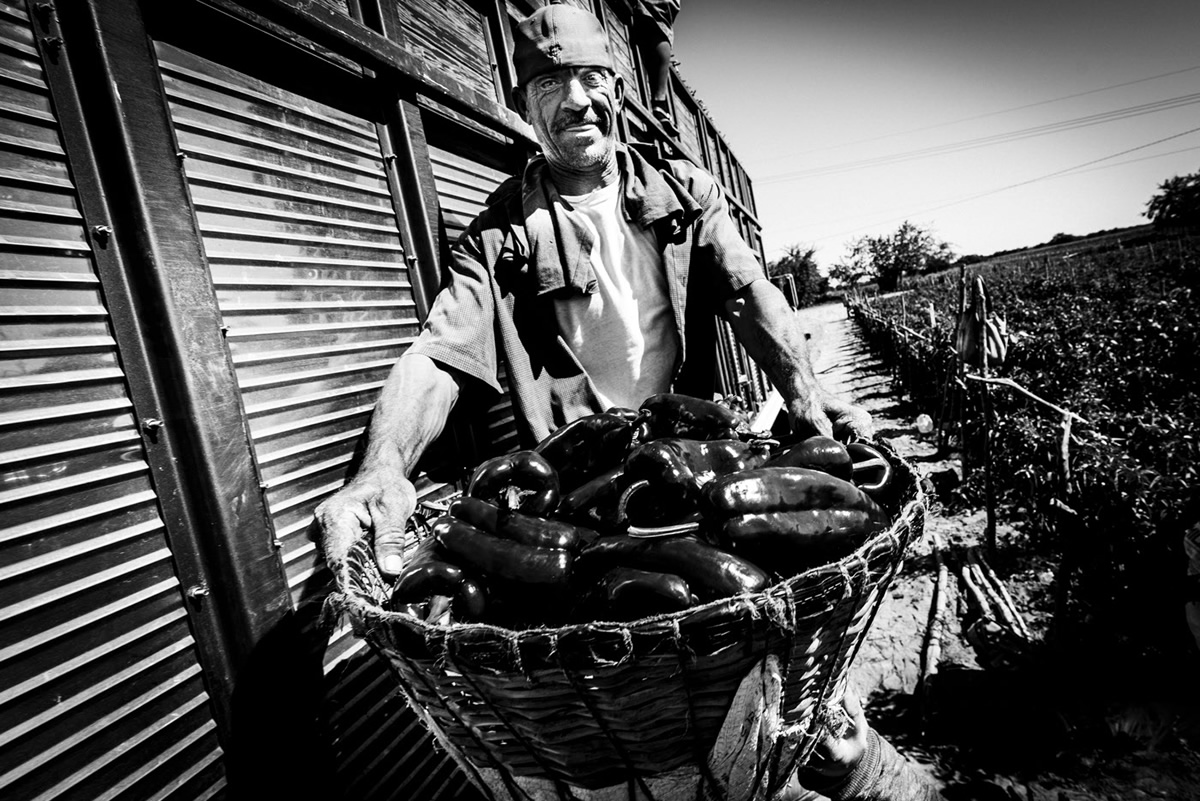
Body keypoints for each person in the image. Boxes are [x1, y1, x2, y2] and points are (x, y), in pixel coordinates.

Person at [316, 6, 941, 799]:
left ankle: (865, 774)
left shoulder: (681, 192)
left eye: (590, 78)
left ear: (615, 86)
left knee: (777, 681)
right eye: (550, 84)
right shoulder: (503, 233)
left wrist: (809, 394)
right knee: (640, 714)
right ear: (522, 104)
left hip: (703, 473)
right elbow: (441, 355)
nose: (576, 100)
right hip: (589, 500)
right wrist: (381, 469)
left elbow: (753, 299)